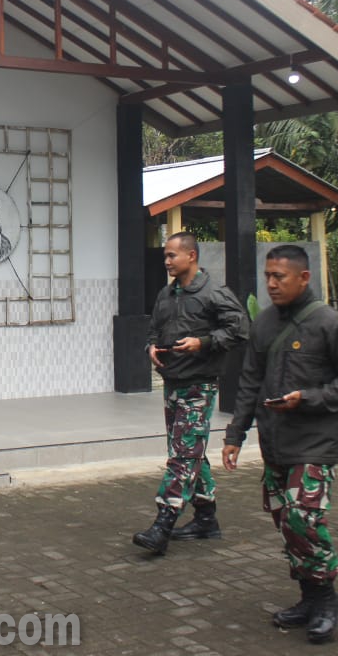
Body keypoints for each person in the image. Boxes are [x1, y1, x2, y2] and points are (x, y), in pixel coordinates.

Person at [222, 244, 338, 645]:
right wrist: (235, 435)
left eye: (279, 277)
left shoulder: (330, 324)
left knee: (303, 519)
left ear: (304, 277)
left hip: (315, 443)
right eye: (268, 276)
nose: (271, 284)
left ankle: (326, 598)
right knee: (286, 523)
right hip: (276, 442)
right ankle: (308, 597)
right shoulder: (265, 323)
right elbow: (249, 382)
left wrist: (307, 399)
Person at [132, 232, 247, 556]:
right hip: (172, 380)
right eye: (166, 256)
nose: (166, 261)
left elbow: (240, 329)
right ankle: (206, 518)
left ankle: (163, 523)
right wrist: (151, 346)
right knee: (188, 448)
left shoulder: (214, 292)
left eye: (172, 256)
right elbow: (153, 328)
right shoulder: (166, 294)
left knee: (183, 453)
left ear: (191, 256)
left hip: (200, 382)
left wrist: (204, 342)